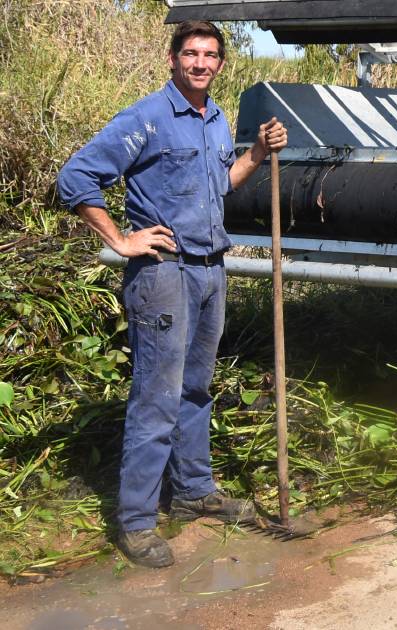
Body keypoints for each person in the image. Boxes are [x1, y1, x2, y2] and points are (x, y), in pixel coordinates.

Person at [57, 21, 288, 568]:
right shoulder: (148, 118)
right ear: (172, 59)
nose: (200, 63)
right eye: (191, 54)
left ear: (221, 65)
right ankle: (136, 522)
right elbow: (76, 178)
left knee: (195, 389)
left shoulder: (213, 118)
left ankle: (192, 491)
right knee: (156, 399)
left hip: (211, 271)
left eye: (210, 55)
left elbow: (218, 185)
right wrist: (120, 240)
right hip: (164, 275)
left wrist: (256, 153)